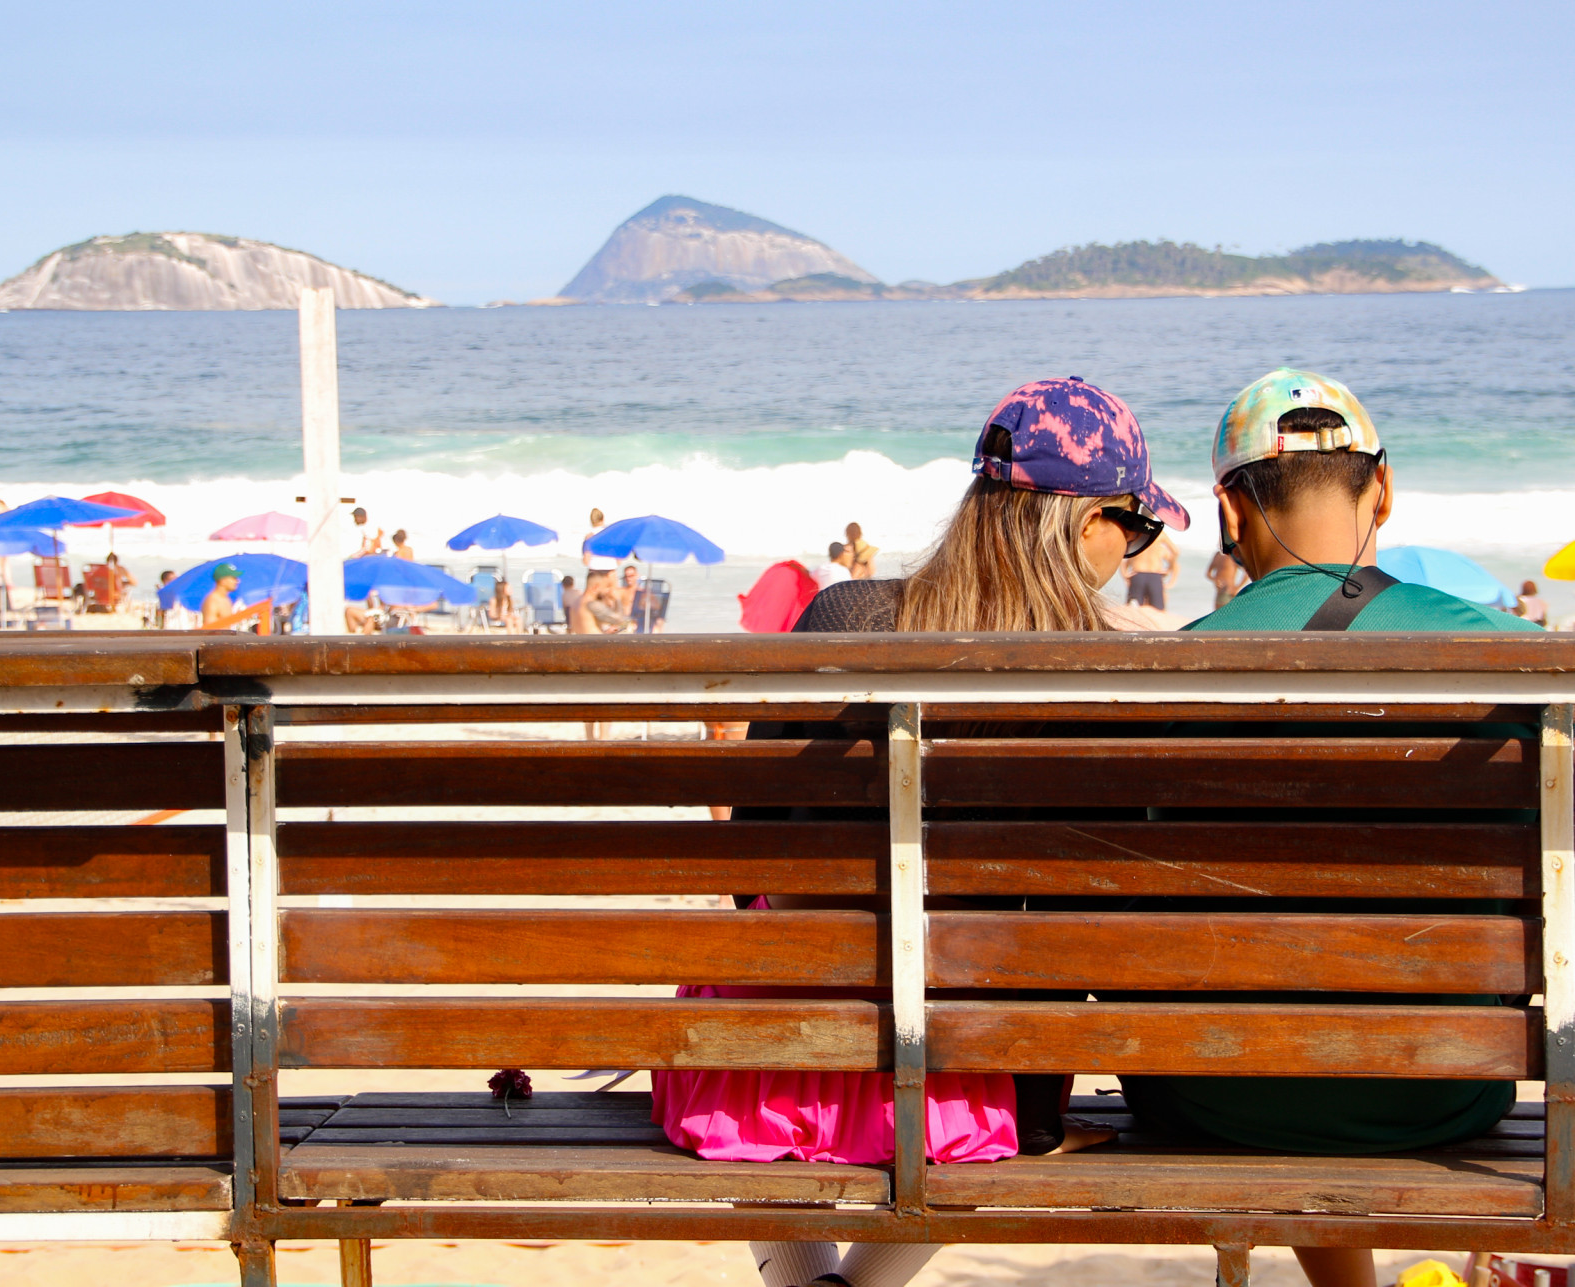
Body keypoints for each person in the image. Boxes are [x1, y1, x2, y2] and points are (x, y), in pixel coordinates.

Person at [659, 376, 1190, 1287]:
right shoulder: (1088, 680)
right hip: (958, 1096)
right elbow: (1087, 935)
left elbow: (750, 854)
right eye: (1134, 525)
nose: (1133, 548)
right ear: (1080, 522)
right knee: (990, 1121)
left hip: (756, 1072)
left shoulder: (841, 616)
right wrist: (1041, 1111)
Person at [1118, 368, 1539, 1287]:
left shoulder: (1153, 678)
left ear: (1229, 512)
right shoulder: (1515, 660)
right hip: (1443, 1090)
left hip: (1210, 1091)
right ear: (1382, 490)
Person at [1122, 529, 1178, 610]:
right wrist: (1169, 569)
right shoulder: (1160, 534)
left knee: (1132, 609)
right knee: (1158, 611)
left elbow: (1123, 555)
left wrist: (1124, 574)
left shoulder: (1137, 532)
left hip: (1137, 575)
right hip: (1154, 576)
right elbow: (1176, 552)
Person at [582, 508, 618, 572]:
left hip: (595, 570)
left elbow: (586, 560)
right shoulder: (611, 534)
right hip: (610, 570)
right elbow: (618, 559)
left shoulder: (589, 536)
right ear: (603, 519)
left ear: (591, 520)